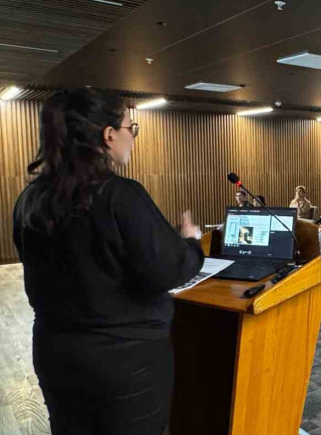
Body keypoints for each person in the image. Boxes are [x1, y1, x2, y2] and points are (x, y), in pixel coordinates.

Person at [12, 88, 204, 434]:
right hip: (124, 365)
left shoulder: (31, 199)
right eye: (132, 128)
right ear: (109, 135)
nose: (133, 137)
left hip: (55, 353)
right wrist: (190, 242)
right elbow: (171, 269)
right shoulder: (120, 195)